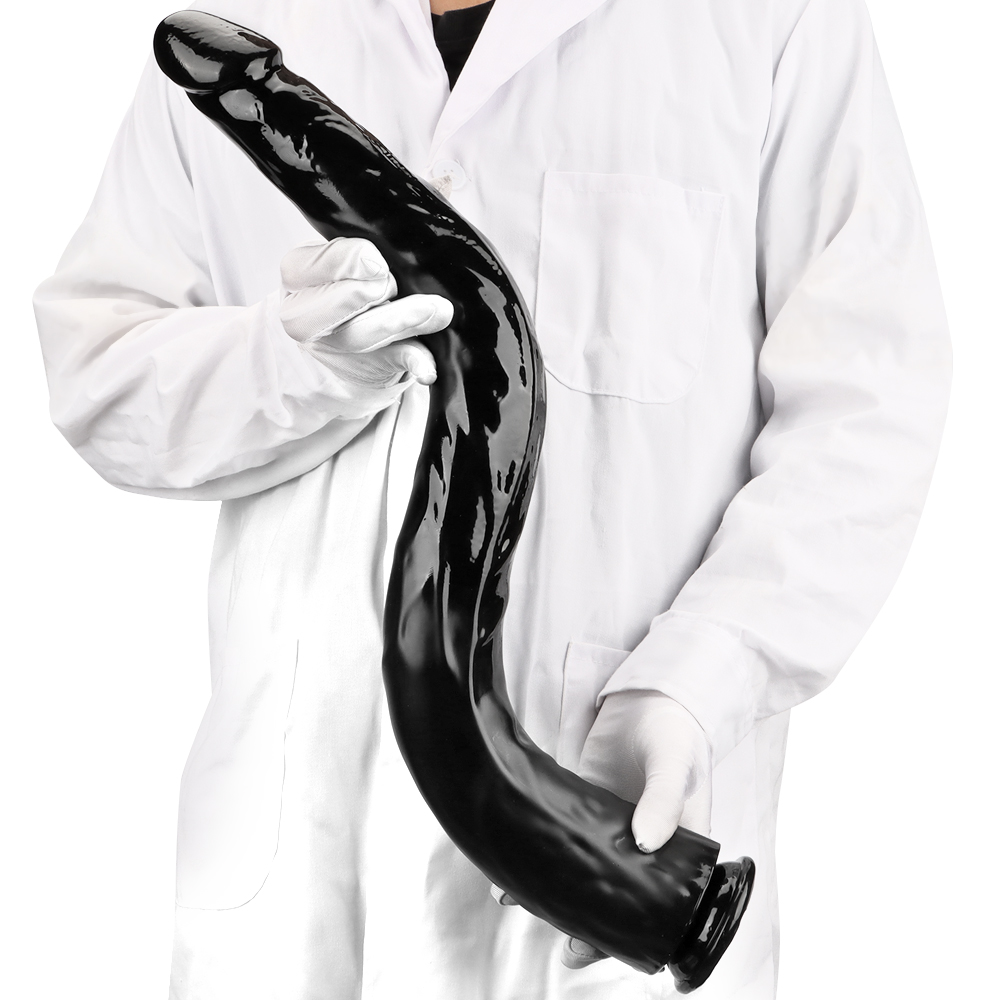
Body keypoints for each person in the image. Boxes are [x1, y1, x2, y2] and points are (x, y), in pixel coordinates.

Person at [33, 0, 951, 996]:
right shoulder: (242, 18)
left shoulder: (777, 19)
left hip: (602, 857)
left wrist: (699, 681)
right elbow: (101, 376)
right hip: (289, 894)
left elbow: (866, 404)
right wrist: (292, 362)